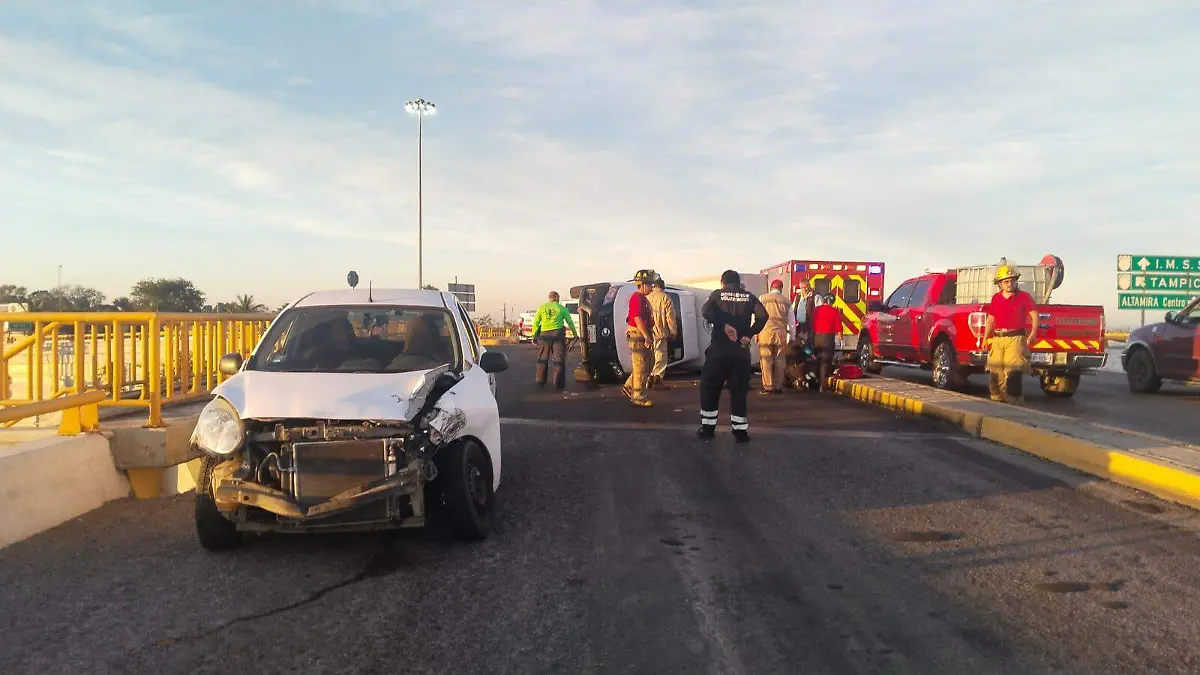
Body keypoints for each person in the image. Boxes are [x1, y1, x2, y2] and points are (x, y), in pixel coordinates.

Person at [698, 270, 768, 442]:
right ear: (738, 283)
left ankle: (707, 429)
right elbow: (763, 316)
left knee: (710, 388)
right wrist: (749, 334)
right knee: (738, 391)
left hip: (719, 352)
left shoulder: (717, 295)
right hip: (740, 352)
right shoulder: (749, 297)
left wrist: (723, 325)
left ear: (722, 282)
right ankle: (740, 432)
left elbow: (705, 311)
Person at [983, 263, 1038, 403]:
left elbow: (1034, 315)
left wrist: (1032, 334)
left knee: (1013, 373)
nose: (1009, 284)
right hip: (998, 338)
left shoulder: (1024, 297)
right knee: (995, 374)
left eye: (1012, 280)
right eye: (1006, 281)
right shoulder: (996, 298)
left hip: (1015, 338)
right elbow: (990, 319)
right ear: (1000, 284)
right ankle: (997, 403)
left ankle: (1013, 404)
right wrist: (985, 338)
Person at [532, 290, 578, 389]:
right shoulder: (561, 308)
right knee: (559, 359)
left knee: (542, 358)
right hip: (558, 334)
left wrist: (534, 335)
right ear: (557, 298)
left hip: (544, 335)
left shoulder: (542, 307)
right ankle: (558, 383)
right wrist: (575, 334)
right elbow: (570, 322)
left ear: (549, 298)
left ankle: (540, 381)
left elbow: (536, 322)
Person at [622, 270, 656, 407]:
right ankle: (638, 396)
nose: (652, 287)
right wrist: (646, 337)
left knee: (650, 363)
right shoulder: (636, 298)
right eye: (650, 284)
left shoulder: (643, 298)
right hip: (638, 335)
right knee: (641, 365)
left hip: (643, 333)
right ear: (642, 285)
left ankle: (629, 386)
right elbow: (637, 318)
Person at [756, 279, 793, 394]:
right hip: (781, 333)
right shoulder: (787, 301)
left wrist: (755, 332)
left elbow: (756, 316)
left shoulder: (762, 298)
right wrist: (792, 337)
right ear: (781, 289)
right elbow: (791, 321)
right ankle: (778, 386)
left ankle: (768, 386)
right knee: (780, 360)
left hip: (765, 332)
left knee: (766, 359)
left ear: (771, 288)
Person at [647, 277, 679, 389]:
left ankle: (648, 379)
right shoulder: (665, 298)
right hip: (660, 332)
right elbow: (670, 317)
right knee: (660, 355)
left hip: (647, 333)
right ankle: (657, 379)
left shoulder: (647, 296)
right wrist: (673, 331)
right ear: (663, 286)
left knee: (650, 356)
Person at [811, 293, 841, 391]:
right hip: (828, 338)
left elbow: (811, 323)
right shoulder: (834, 311)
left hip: (816, 337)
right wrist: (841, 340)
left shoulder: (816, 310)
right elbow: (838, 327)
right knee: (825, 362)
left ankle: (815, 382)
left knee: (817, 360)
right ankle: (822, 386)